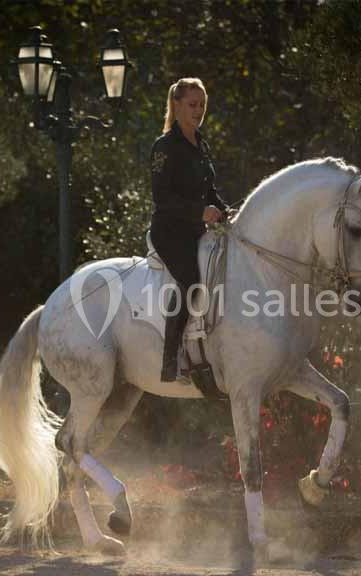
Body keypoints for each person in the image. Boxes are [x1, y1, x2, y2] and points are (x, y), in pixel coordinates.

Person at [149, 77, 230, 382]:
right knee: (192, 279)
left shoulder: (201, 142)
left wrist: (223, 209)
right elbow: (162, 198)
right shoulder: (164, 146)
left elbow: (207, 190)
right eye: (192, 105)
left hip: (198, 229)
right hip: (170, 231)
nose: (198, 111)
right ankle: (170, 358)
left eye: (202, 105)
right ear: (176, 105)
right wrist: (200, 212)